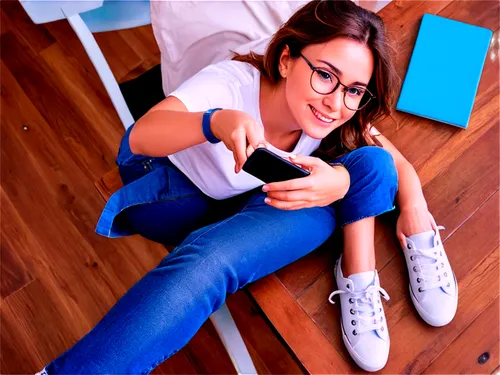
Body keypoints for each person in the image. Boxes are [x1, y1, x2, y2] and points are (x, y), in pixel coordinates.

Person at [37, 0, 457, 373]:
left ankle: (358, 274)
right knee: (211, 264)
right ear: (288, 59)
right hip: (172, 192)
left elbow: (386, 160)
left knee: (371, 164)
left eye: (354, 91)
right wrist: (215, 121)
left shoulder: (333, 112)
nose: (335, 103)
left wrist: (391, 201)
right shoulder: (233, 82)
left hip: (241, 198)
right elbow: (141, 137)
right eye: (326, 76)